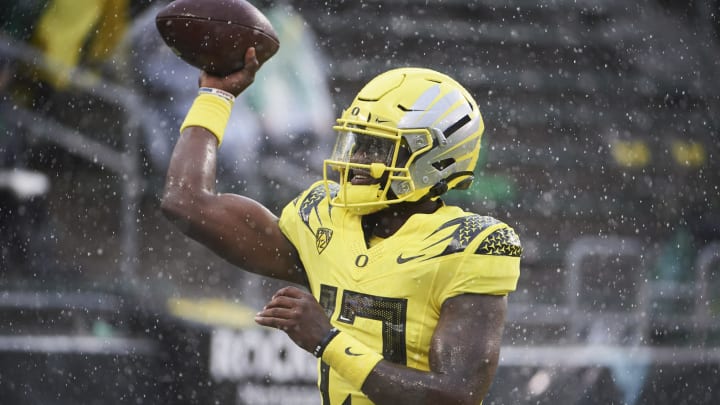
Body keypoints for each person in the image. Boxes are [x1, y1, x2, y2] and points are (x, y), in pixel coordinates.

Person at [161, 48, 522, 404]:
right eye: (357, 143)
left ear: (434, 159)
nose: (359, 160)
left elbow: (455, 397)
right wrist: (216, 95)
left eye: (379, 149)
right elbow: (186, 203)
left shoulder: (469, 244)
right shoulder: (324, 216)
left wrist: (328, 341)